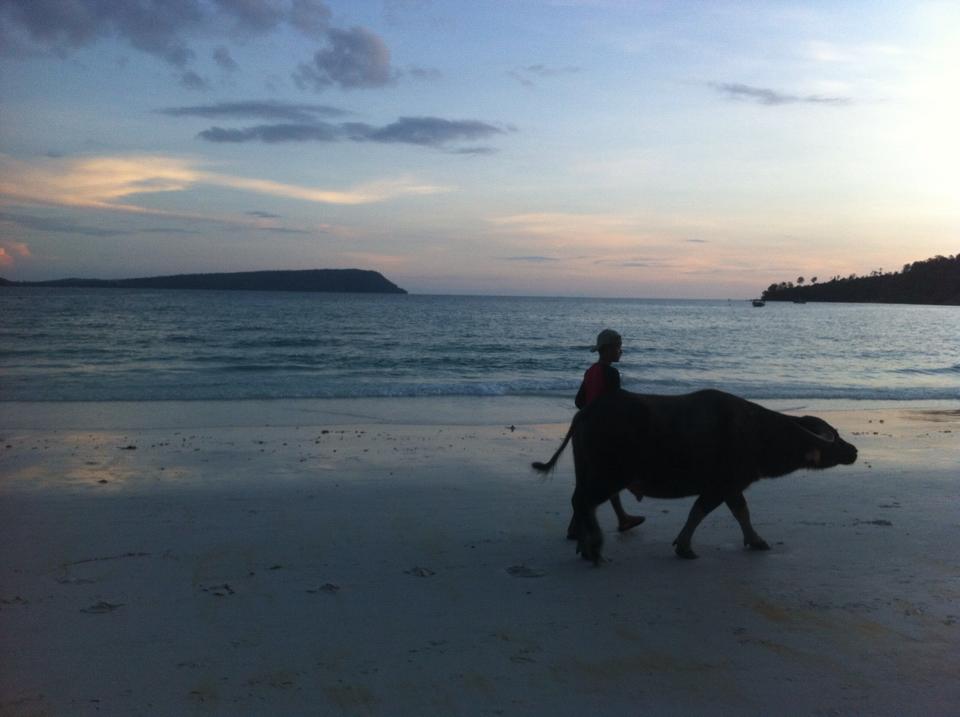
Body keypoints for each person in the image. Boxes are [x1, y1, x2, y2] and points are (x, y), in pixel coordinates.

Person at [568, 329, 645, 538]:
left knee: (590, 479)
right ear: (610, 349)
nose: (621, 351)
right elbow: (615, 405)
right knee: (612, 476)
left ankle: (579, 526)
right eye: (619, 347)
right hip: (604, 432)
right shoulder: (611, 374)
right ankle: (624, 508)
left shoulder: (591, 371)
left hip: (586, 430)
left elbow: (579, 401)